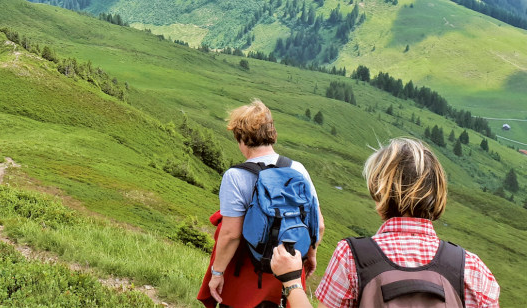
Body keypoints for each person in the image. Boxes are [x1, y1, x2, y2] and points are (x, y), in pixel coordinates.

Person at [270, 137, 500, 308]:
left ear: (379, 191)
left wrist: (291, 280)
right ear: (437, 192)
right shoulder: (472, 268)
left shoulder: (351, 256)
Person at [202, 99, 325, 308]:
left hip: (248, 273)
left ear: (240, 137)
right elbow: (318, 224)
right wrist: (310, 255)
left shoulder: (235, 176)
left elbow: (231, 234)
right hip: (287, 267)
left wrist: (217, 273)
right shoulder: (298, 169)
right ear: (271, 134)